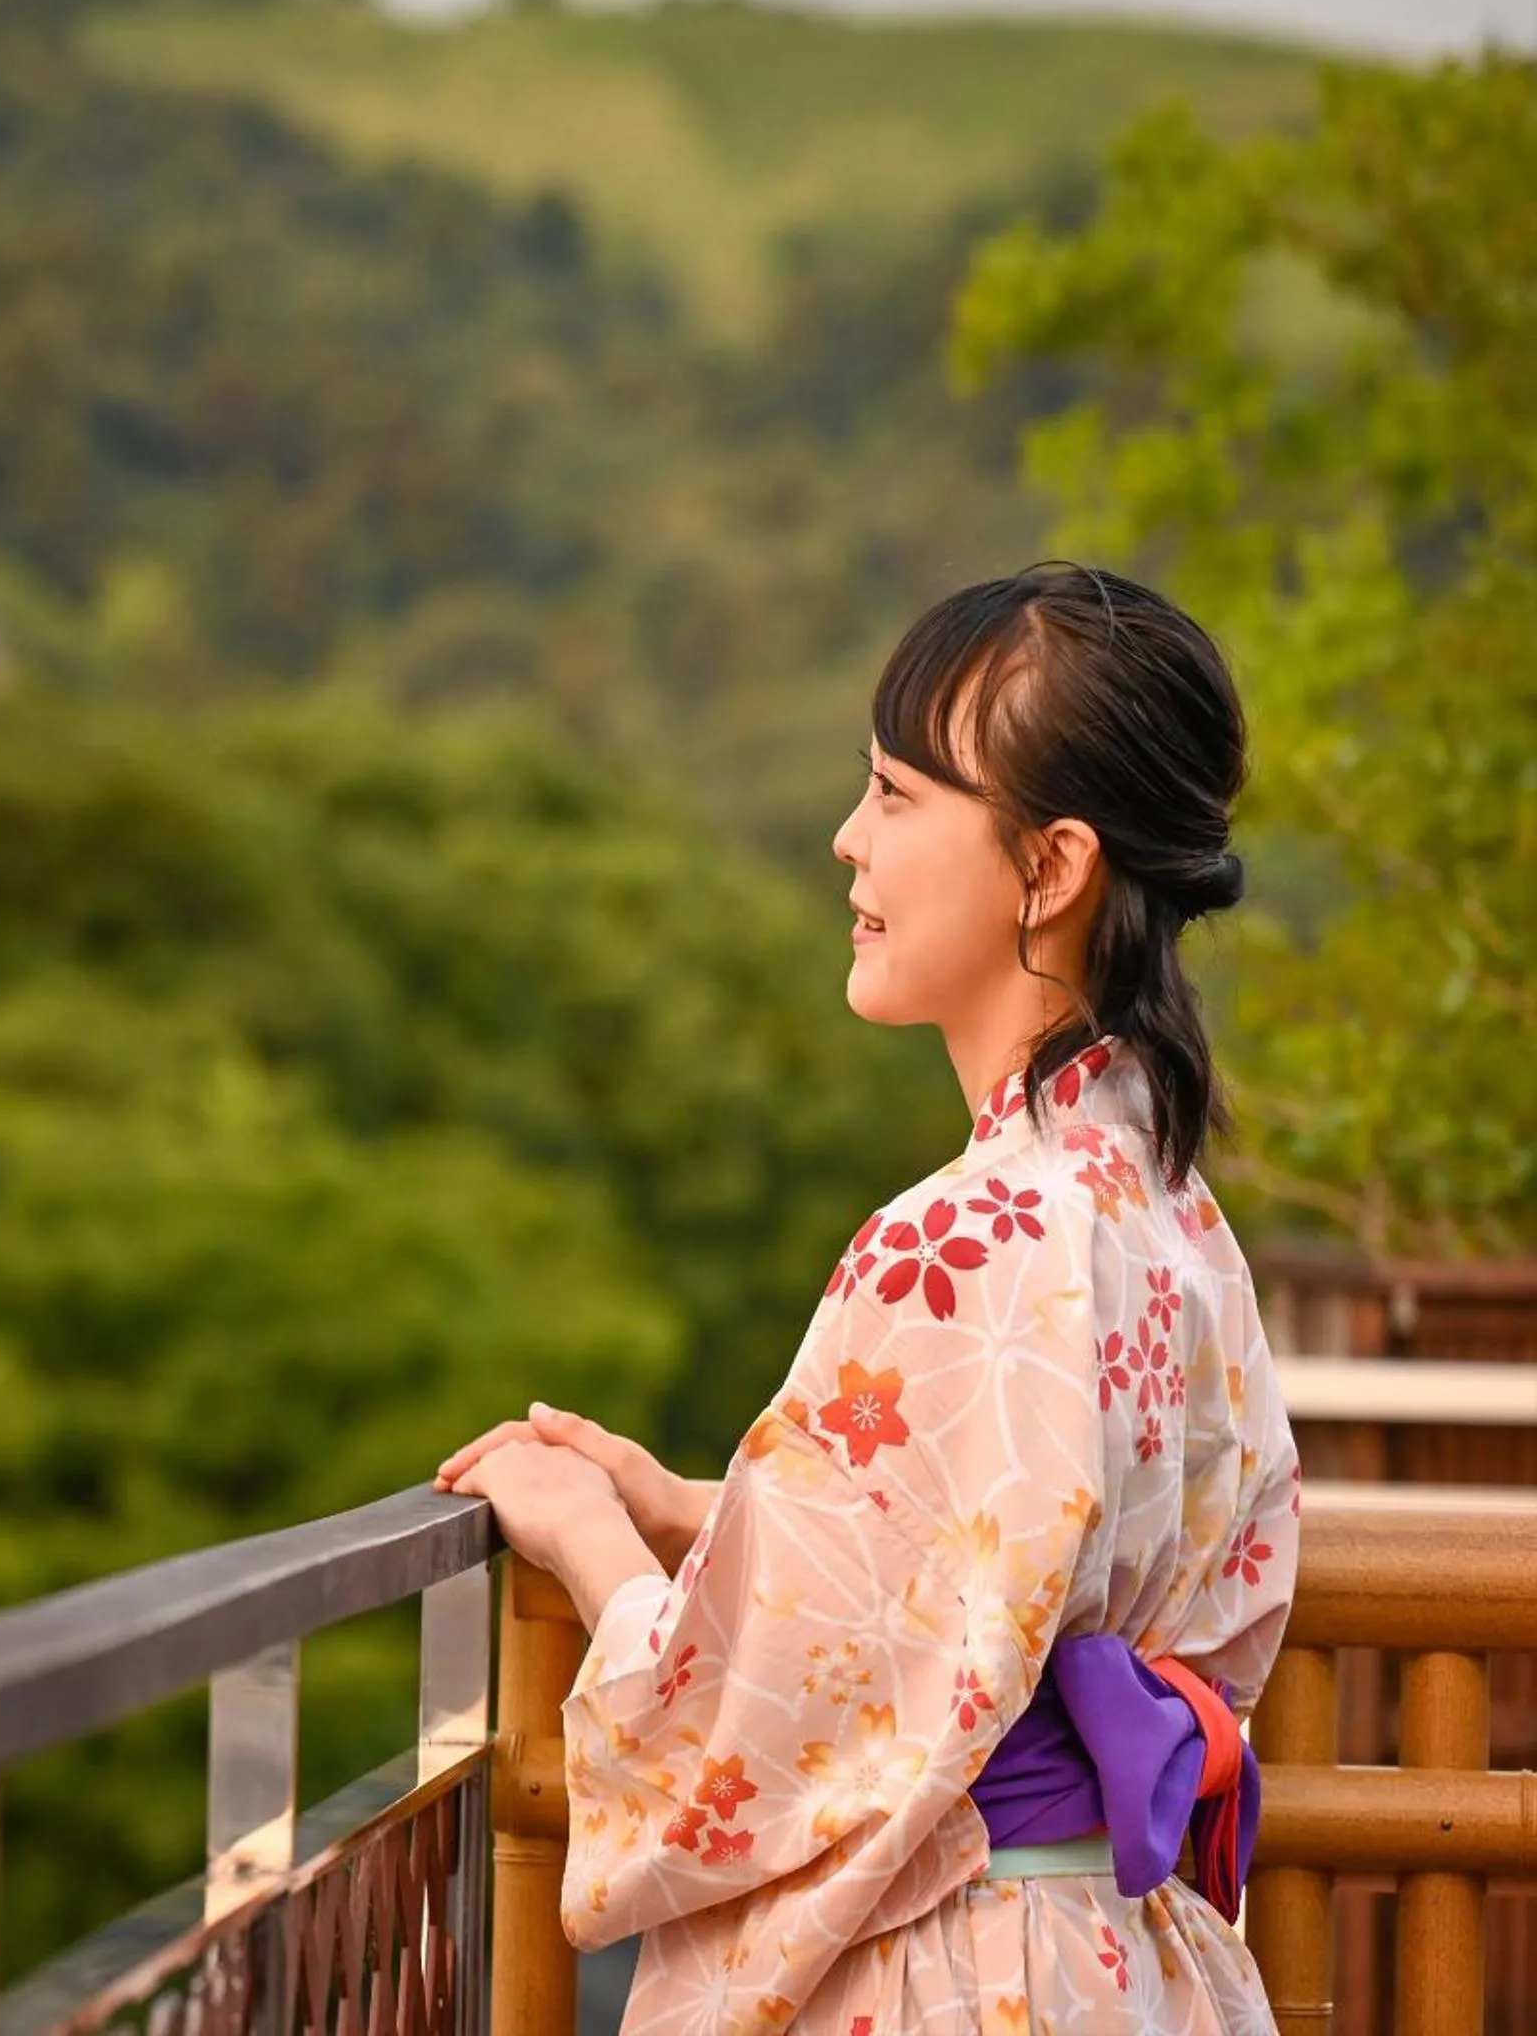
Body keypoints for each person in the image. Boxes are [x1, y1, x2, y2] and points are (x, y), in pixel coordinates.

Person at [437, 563, 1301, 2033]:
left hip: (966, 1969)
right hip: (1128, 1959)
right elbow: (1006, 1585)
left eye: (900, 798)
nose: (849, 841)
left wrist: (584, 1538)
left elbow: (746, 1724)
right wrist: (709, 1514)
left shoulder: (966, 1236)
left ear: (1053, 865)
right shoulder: (1163, 1205)